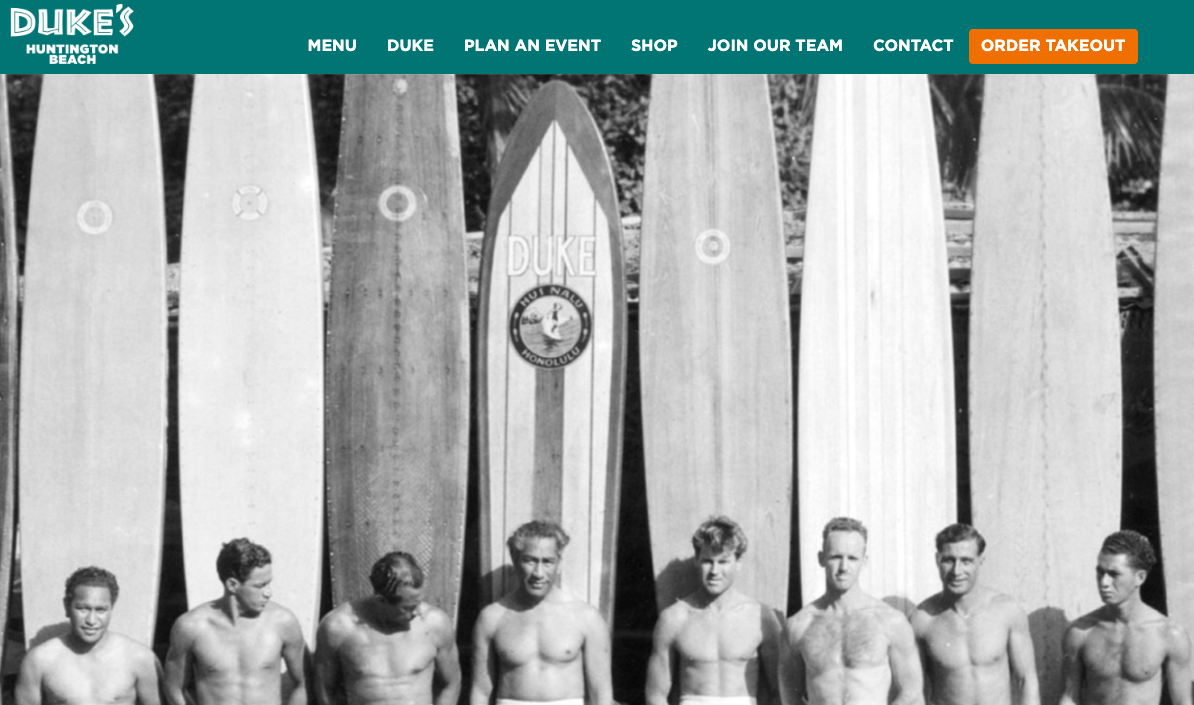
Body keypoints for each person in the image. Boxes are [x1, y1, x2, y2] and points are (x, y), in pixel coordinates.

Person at [779, 517, 923, 705]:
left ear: (864, 561)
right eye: (836, 557)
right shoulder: (799, 625)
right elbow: (790, 698)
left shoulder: (890, 621)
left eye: (852, 558)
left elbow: (912, 693)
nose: (844, 567)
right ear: (821, 558)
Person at [469, 520, 612, 705]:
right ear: (515, 560)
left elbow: (601, 693)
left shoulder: (586, 617)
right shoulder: (492, 617)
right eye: (530, 560)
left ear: (559, 563)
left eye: (547, 562)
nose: (538, 573)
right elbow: (480, 691)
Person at [645, 516, 781, 705]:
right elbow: (656, 694)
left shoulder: (761, 617)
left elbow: (779, 690)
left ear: (738, 562)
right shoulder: (674, 618)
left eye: (723, 562)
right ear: (696, 561)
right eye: (708, 561)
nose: (714, 571)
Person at [164, 538, 308, 705]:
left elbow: (304, 683)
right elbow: (173, 687)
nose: (269, 593)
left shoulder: (282, 622)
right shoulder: (191, 627)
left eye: (269, 583)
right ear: (232, 585)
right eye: (260, 586)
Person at [910, 524, 1039, 705]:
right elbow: (914, 691)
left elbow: (1026, 680)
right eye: (949, 560)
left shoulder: (1007, 610)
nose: (957, 571)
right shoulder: (923, 619)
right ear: (937, 560)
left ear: (980, 561)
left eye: (966, 561)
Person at [1059, 530, 1192, 705]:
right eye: (1100, 572)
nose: (1104, 582)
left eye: (1114, 574)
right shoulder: (1081, 632)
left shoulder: (1169, 634)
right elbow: (1070, 697)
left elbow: (1182, 702)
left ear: (1140, 577)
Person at [313, 551, 462, 705]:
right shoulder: (339, 627)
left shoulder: (435, 623)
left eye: (418, 603)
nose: (417, 612)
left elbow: (451, 683)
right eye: (408, 608)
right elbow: (324, 688)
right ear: (381, 600)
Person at [15, 567, 161, 705]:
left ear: (112, 608)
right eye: (83, 608)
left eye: (101, 610)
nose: (91, 620)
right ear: (67, 606)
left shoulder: (139, 658)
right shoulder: (39, 660)